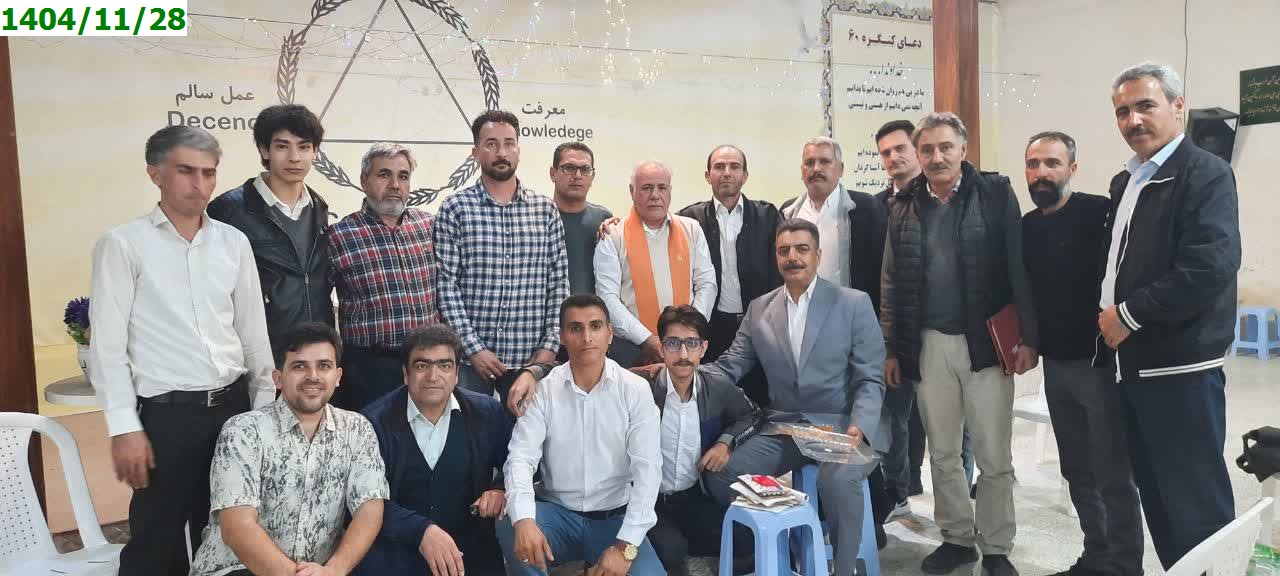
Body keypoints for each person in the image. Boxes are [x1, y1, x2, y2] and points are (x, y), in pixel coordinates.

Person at [89, 125, 273, 576]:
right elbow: (107, 347)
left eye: (209, 173)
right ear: (155, 174)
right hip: (167, 418)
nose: (200, 184)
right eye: (186, 171)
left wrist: (264, 414)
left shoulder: (233, 243)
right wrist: (123, 427)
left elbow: (253, 335)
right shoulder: (123, 244)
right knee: (158, 540)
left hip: (233, 410)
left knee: (233, 533)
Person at [880, 112, 1038, 576]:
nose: (937, 157)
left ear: (963, 150)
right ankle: (956, 539)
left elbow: (1018, 266)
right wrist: (892, 348)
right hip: (928, 345)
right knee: (944, 452)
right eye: (927, 149)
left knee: (993, 454)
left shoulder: (994, 193)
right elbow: (890, 281)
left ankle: (997, 546)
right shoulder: (904, 205)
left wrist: (1027, 337)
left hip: (985, 344)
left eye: (946, 147)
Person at [1100, 62, 1240, 568]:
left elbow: (1209, 266)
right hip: (1133, 368)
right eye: (1123, 111)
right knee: (1158, 499)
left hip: (1181, 369)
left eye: (1145, 105)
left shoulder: (1205, 173)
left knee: (1195, 504)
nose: (1133, 119)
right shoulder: (1128, 179)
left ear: (1178, 107)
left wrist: (1129, 314)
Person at [506, 305, 763, 575]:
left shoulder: (714, 387)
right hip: (641, 504)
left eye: (691, 344)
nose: (683, 354)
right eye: (673, 344)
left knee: (742, 535)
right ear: (661, 348)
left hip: (687, 496)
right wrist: (533, 372)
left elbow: (752, 415)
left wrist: (725, 442)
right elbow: (583, 363)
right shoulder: (641, 384)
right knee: (668, 549)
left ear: (704, 347)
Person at [700, 219, 885, 576]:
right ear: (776, 257)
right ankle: (781, 548)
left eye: (802, 249)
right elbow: (731, 365)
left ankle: (844, 569)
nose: (792, 257)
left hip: (839, 425)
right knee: (722, 474)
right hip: (786, 427)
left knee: (837, 481)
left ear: (818, 255)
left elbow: (870, 377)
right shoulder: (759, 309)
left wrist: (859, 425)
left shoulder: (853, 303)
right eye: (783, 250)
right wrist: (682, 372)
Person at [1021, 130, 1143, 576]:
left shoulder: (1099, 214)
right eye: (1033, 164)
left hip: (1099, 365)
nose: (1041, 173)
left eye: (1052, 163)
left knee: (1113, 473)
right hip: (1056, 367)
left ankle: (1125, 565)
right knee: (1077, 469)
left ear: (1072, 168)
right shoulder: (1027, 226)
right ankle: (1096, 556)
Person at [189, 323, 388, 576]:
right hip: (236, 569)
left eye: (323, 366)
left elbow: (369, 511)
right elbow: (237, 528)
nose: (313, 376)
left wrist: (335, 570)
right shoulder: (243, 431)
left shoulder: (357, 429)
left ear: (338, 376)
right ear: (278, 378)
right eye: (299, 366)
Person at [496, 294, 666, 576]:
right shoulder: (544, 390)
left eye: (595, 326)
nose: (587, 337)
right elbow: (520, 458)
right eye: (576, 328)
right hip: (557, 516)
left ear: (610, 333)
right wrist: (524, 520)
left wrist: (625, 548)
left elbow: (648, 472)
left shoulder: (635, 390)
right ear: (562, 337)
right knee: (511, 523)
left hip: (615, 520)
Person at [356, 324, 513, 576]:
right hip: (397, 554)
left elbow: (519, 461)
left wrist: (500, 488)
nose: (433, 376)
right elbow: (363, 501)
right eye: (422, 365)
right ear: (405, 373)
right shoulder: (372, 422)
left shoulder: (486, 412)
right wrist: (421, 531)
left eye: (444, 365)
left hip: (469, 552)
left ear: (457, 373)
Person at [434, 109, 569, 394]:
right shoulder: (455, 208)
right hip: (470, 365)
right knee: (470, 425)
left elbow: (558, 284)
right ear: (475, 152)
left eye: (509, 143)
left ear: (518, 149)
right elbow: (446, 286)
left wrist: (549, 346)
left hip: (531, 362)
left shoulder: (545, 210)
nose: (501, 152)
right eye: (491, 144)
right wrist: (473, 348)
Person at [207, 104, 334, 351]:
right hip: (260, 350)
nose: (295, 157)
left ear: (315, 152)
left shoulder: (318, 207)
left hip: (316, 349)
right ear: (264, 149)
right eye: (282, 146)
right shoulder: (228, 210)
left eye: (304, 147)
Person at [329, 142, 439, 410]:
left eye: (403, 176)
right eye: (384, 174)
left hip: (427, 364)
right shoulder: (340, 235)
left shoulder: (429, 226)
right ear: (364, 181)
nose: (395, 185)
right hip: (369, 369)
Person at [677, 145, 782, 405]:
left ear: (745, 175)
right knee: (711, 398)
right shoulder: (688, 219)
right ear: (707, 175)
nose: (727, 172)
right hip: (711, 326)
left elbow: (781, 272)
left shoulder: (768, 215)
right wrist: (614, 223)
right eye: (719, 167)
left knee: (760, 398)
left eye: (734, 167)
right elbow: (654, 226)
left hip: (761, 324)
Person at [595, 160, 717, 367]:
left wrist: (689, 332)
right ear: (632, 191)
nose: (655, 195)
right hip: (632, 350)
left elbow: (707, 284)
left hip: (686, 348)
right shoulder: (612, 235)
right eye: (646, 188)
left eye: (662, 188)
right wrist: (647, 340)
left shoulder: (692, 230)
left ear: (670, 191)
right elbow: (607, 297)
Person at [780, 136, 887, 309]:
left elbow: (883, 269)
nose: (816, 168)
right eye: (809, 163)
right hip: (800, 311)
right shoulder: (788, 212)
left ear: (840, 169)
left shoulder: (866, 208)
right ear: (802, 170)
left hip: (849, 312)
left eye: (824, 162)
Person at [551, 141, 613, 297]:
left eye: (585, 169)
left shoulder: (604, 220)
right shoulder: (538, 218)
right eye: (569, 168)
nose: (577, 176)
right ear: (553, 173)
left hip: (593, 310)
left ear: (592, 177)